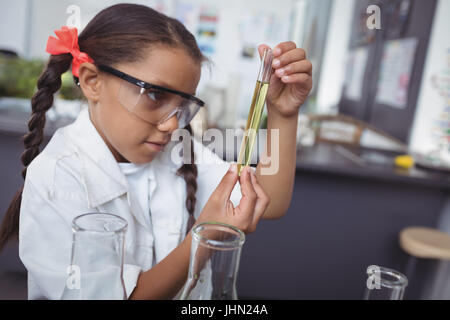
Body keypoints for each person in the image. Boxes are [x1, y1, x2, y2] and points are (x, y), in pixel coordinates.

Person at [0, 3, 312, 300]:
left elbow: (268, 200)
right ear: (93, 82)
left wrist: (282, 113)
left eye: (182, 105)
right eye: (153, 94)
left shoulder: (177, 152)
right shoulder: (58, 177)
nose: (173, 124)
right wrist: (205, 236)